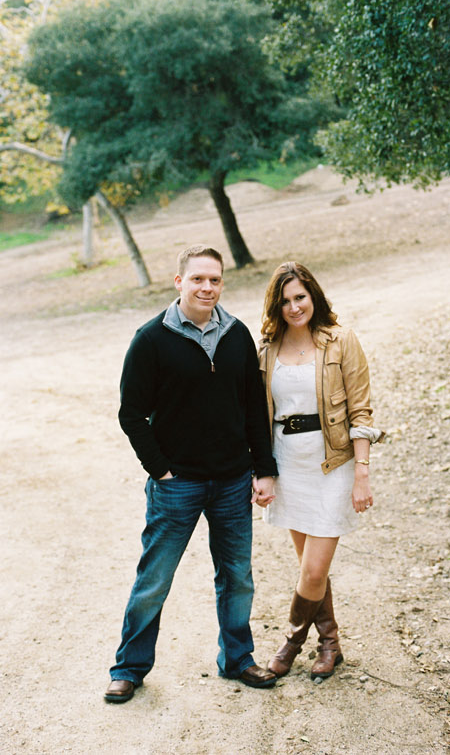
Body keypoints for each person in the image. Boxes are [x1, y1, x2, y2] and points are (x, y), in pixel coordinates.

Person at [105, 245, 278, 702]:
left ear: (222, 283)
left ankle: (238, 659)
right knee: (154, 579)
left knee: (237, 576)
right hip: (177, 485)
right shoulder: (151, 339)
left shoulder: (237, 334)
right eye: (198, 279)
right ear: (178, 281)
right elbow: (131, 414)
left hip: (233, 480)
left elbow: (255, 410)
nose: (207, 287)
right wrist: (159, 469)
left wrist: (264, 469)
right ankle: (129, 668)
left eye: (215, 280)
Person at [258, 261, 378, 682]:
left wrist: (362, 471)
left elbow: (361, 410)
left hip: (333, 464)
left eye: (300, 297)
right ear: (276, 305)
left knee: (311, 570)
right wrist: (262, 471)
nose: (294, 307)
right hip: (288, 464)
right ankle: (330, 642)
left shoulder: (340, 340)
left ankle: (290, 644)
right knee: (314, 568)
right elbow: (257, 416)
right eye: (286, 300)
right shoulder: (267, 348)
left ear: (314, 296)